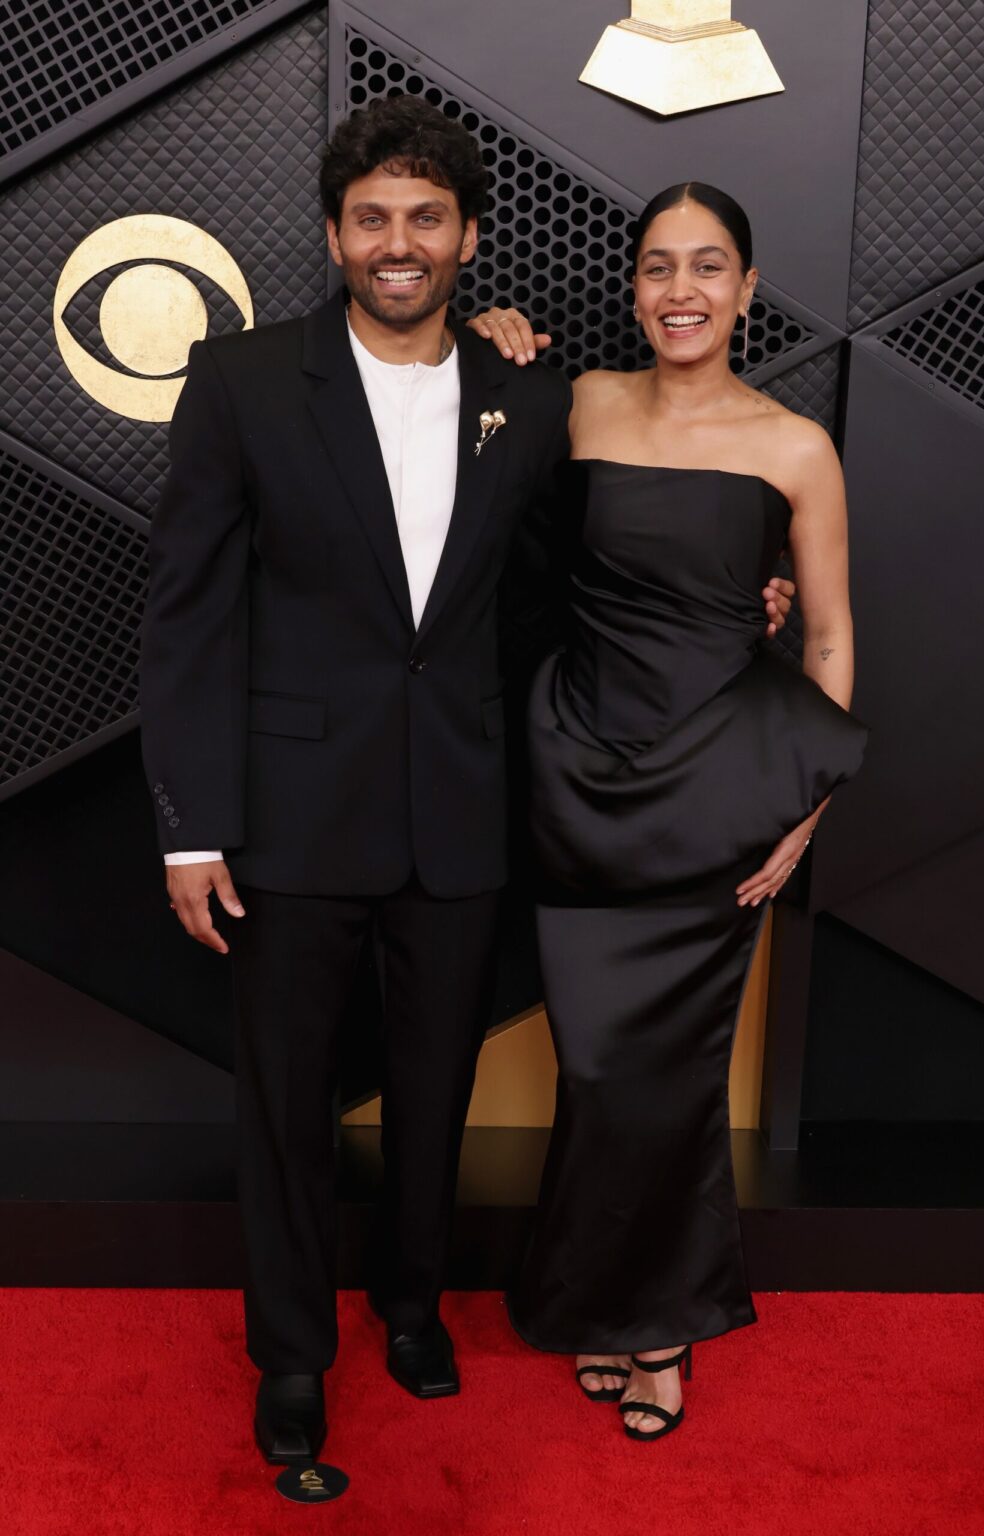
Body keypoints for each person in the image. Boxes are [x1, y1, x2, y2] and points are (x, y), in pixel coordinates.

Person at [140, 96, 793, 1468]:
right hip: (291, 821)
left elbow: (578, 590)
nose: (398, 242)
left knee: (433, 1090)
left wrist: (740, 605)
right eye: (372, 217)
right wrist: (191, 829)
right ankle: (296, 1358)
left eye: (425, 219)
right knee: (287, 1104)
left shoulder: (528, 394)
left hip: (462, 814)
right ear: (334, 234)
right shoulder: (245, 379)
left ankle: (414, 1306)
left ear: (469, 239)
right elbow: (188, 617)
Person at [468, 182, 867, 1441]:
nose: (680, 289)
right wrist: (487, 342)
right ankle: (596, 1298)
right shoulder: (577, 402)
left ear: (748, 288)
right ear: (632, 286)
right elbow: (478, 518)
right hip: (576, 775)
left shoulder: (795, 445)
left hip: (716, 797)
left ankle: (655, 1325)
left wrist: (806, 805)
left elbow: (831, 636)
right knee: (594, 1069)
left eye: (708, 266)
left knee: (669, 1073)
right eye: (657, 266)